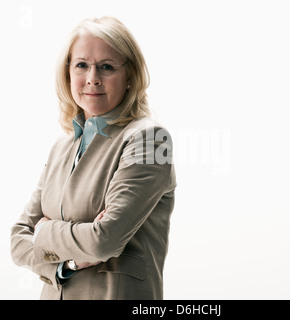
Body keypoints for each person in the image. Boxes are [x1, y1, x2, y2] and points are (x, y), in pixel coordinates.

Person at [10, 16, 176, 300]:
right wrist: (69, 263)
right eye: (81, 65)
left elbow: (103, 241)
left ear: (130, 77)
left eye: (107, 67)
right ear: (68, 73)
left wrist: (45, 231)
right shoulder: (61, 147)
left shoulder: (149, 139)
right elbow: (17, 240)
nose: (92, 78)